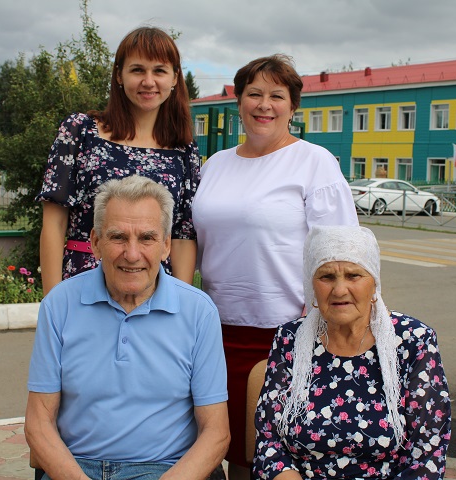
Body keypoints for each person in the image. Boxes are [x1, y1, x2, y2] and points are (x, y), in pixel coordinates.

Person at [191, 54, 359, 479]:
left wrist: (331, 329)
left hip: (285, 335)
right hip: (214, 334)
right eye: (254, 94)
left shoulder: (314, 162)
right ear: (239, 101)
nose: (264, 105)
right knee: (217, 448)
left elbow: (340, 252)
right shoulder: (216, 165)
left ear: (292, 106)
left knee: (266, 458)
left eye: (276, 96)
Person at [25, 175, 229, 480]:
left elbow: (216, 433)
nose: (132, 254)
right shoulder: (59, 306)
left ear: (165, 245)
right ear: (95, 243)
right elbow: (38, 423)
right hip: (77, 468)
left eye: (146, 238)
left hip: (167, 469)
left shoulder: (199, 312)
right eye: (118, 237)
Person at [252, 225, 451, 479]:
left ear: (374, 284)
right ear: (312, 285)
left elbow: (427, 454)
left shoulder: (414, 341)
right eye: (326, 277)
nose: (339, 290)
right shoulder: (290, 339)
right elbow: (269, 443)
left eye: (353, 275)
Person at [37, 26, 199, 296]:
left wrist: (180, 307)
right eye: (138, 70)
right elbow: (54, 224)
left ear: (174, 78)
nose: (149, 81)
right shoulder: (80, 131)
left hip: (154, 291)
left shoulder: (183, 150)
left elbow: (182, 235)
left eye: (159, 71)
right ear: (119, 76)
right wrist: (52, 303)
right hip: (84, 287)